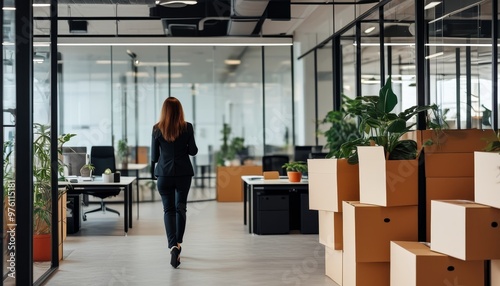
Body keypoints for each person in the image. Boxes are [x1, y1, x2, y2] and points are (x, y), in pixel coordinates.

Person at [151, 97, 198, 268]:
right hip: (183, 173)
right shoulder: (187, 127)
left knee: (168, 210)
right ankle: (178, 244)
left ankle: (172, 246)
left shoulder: (157, 128)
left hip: (164, 174)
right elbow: (193, 151)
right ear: (180, 110)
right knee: (180, 207)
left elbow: (154, 157)